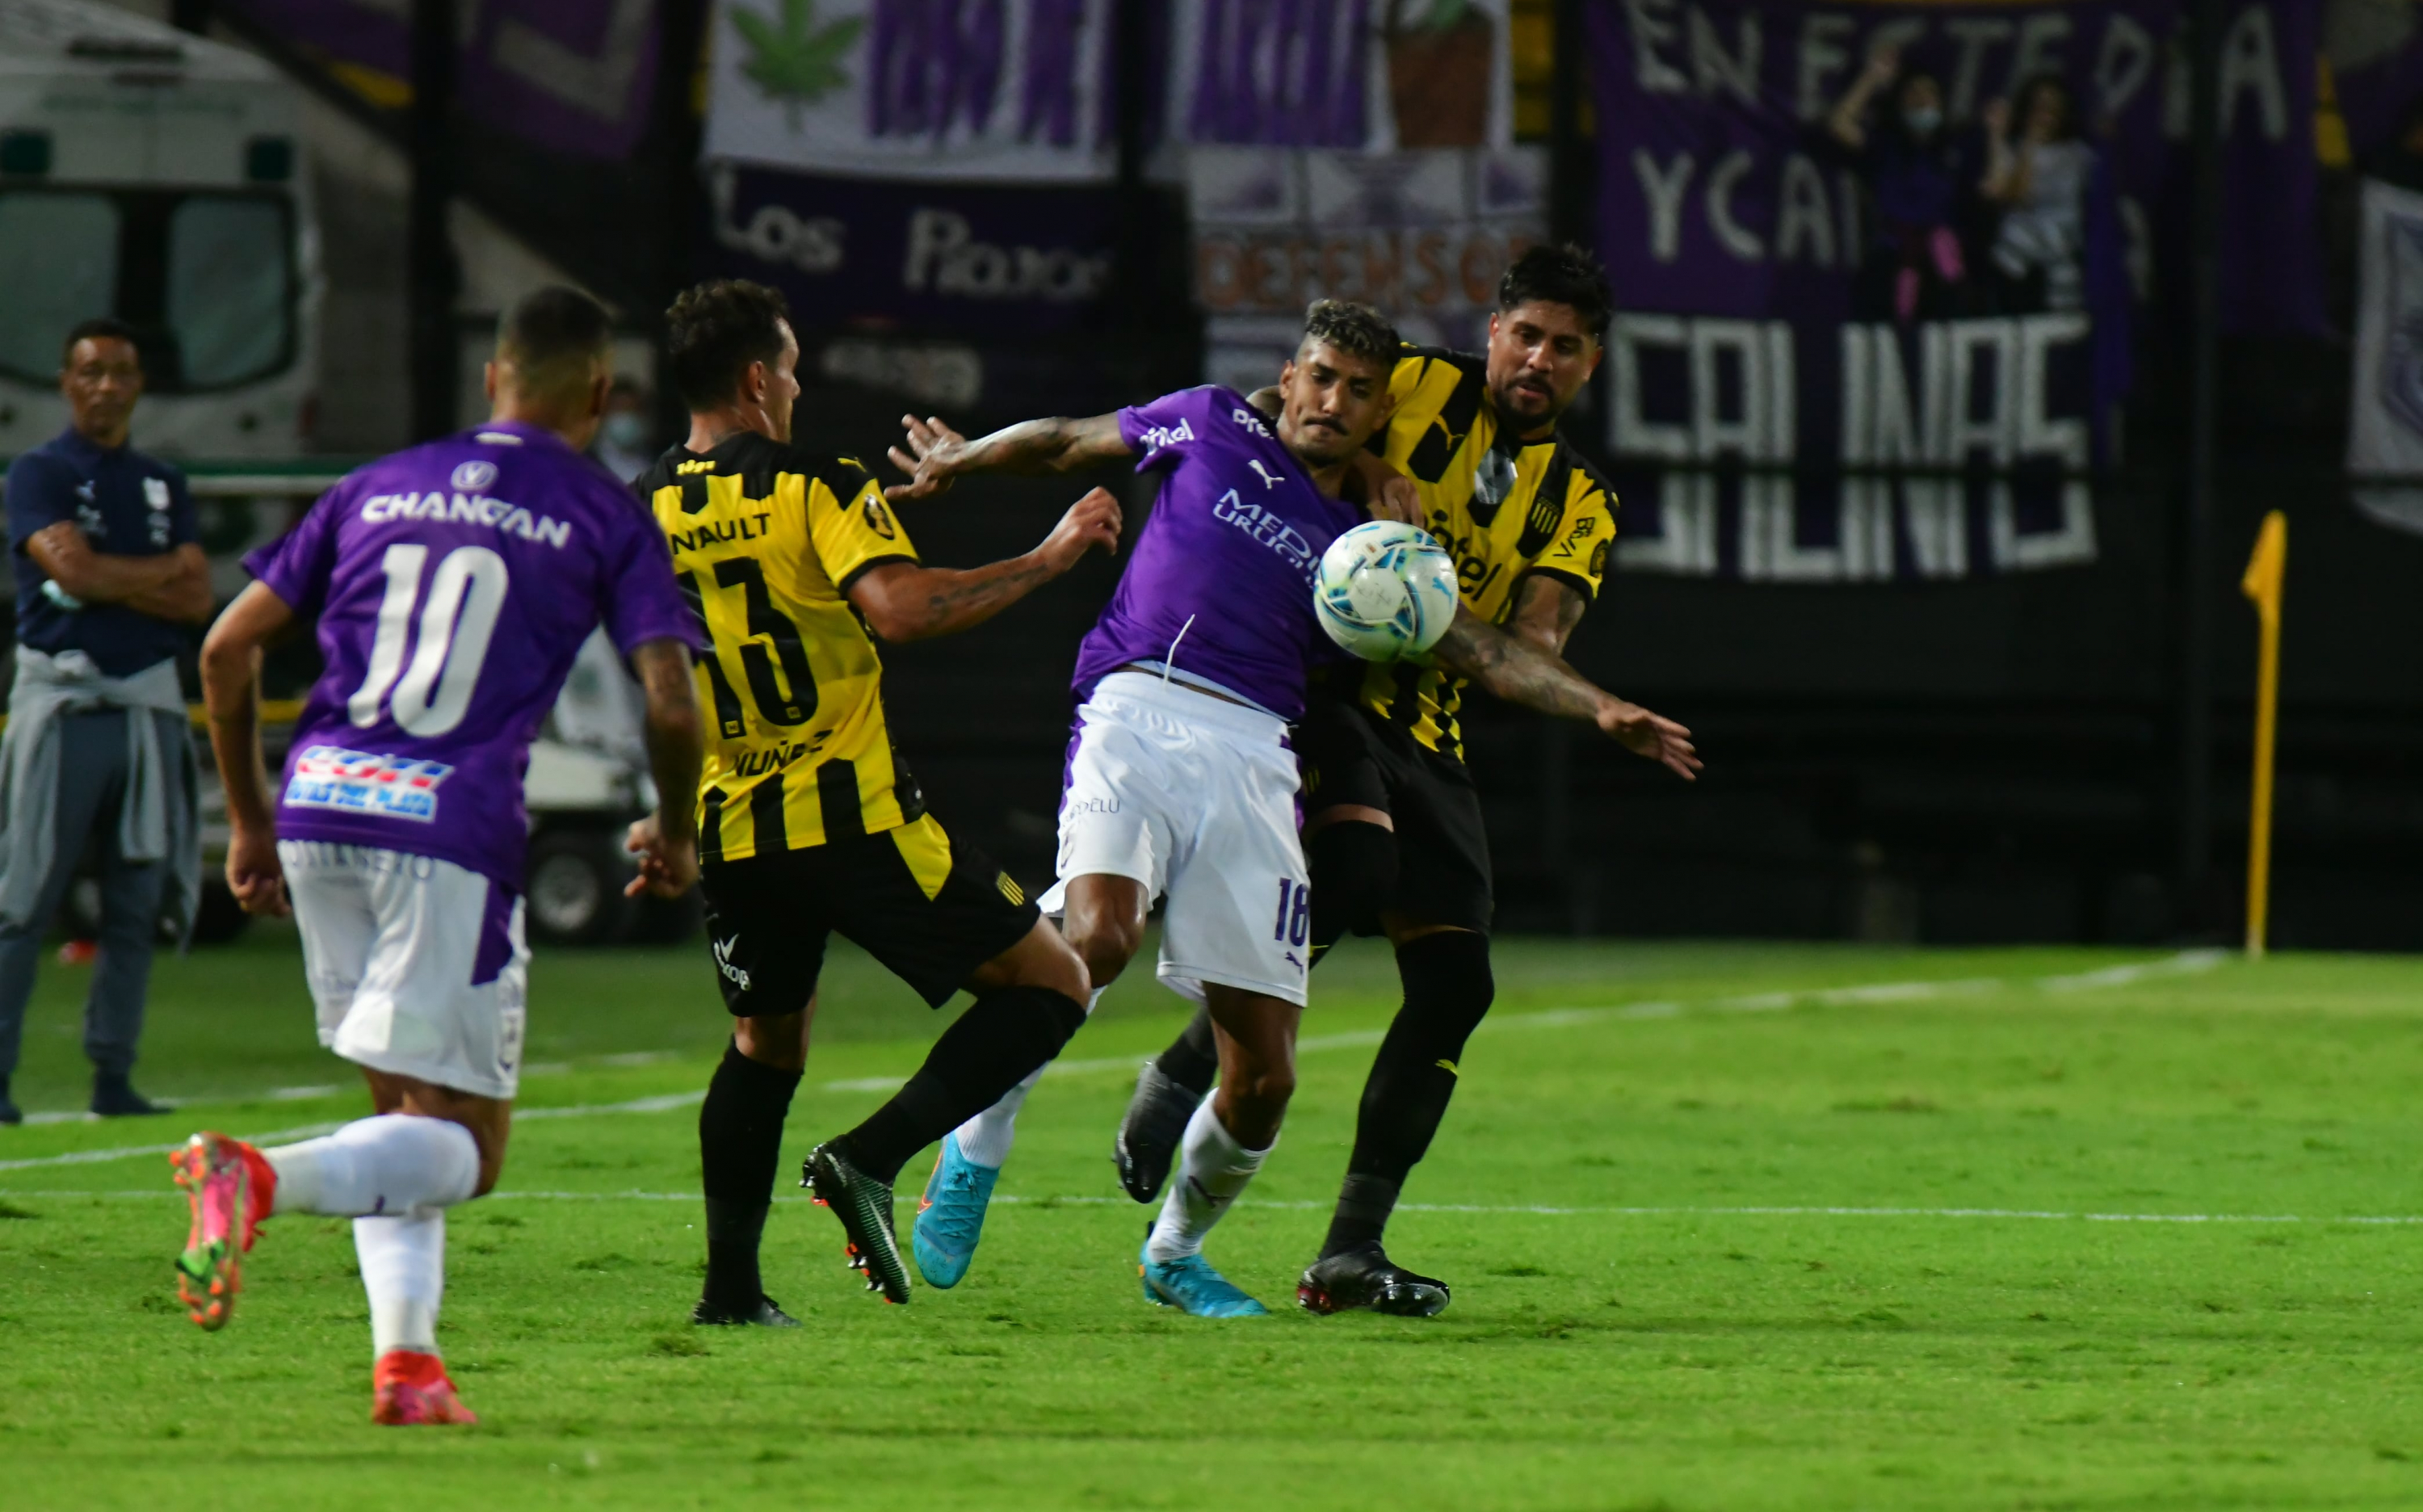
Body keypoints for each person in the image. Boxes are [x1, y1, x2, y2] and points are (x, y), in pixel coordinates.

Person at [884, 298, 1697, 1317]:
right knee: (1098, 937)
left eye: (1358, 391)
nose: (1334, 401)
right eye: (1320, 378)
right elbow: (1064, 440)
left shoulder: (1366, 546)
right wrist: (964, 458)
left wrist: (1599, 706)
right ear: (1290, 377)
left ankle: (1174, 1251)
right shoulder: (1211, 420)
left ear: (1379, 410)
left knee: (1268, 1074)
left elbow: (1481, 646)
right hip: (1138, 703)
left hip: (1263, 745)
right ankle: (976, 1142)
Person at [172, 286, 706, 1427]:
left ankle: (407, 1366)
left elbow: (224, 650)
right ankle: (253, 1175)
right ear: (599, 394)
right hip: (446, 826)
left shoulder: (374, 484)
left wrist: (252, 821)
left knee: (401, 1121)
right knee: (469, 1148)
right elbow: (671, 698)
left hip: (321, 805)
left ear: (493, 379)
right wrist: (676, 826)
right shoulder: (605, 511)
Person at [636, 279, 1115, 1320]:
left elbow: (700, 635)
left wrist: (664, 813)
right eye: (791, 368)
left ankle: (731, 1293)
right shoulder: (816, 479)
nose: (797, 387)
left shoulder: (642, 503)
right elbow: (899, 610)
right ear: (757, 378)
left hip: (733, 827)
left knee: (765, 1043)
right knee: (1054, 983)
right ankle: (868, 1156)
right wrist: (1049, 558)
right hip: (851, 815)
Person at [0, 320, 212, 1125]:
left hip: (145, 707)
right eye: (91, 371)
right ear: (67, 382)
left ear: (139, 383)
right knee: (25, 897)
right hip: (66, 705)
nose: (107, 386)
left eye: (121, 371)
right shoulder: (41, 472)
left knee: (135, 903)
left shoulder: (162, 481)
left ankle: (114, 1076)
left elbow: (198, 599)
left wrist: (108, 578)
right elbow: (74, 574)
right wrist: (157, 572)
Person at [1827, 46, 1982, 324]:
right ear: (1899, 103)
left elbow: (1994, 188)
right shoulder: (1886, 147)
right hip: (1891, 260)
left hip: (1944, 264)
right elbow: (1839, 124)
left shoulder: (1957, 149)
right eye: (1913, 93)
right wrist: (1871, 78)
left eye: (1929, 93)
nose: (1922, 100)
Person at [1982, 74, 2096, 313]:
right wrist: (2029, 145)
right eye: (2039, 107)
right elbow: (2016, 197)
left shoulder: (2079, 155)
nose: (2045, 115)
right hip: (2020, 254)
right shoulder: (2016, 150)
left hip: (2064, 247)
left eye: (2053, 108)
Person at [594, 376, 660, 485]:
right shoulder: (589, 462)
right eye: (619, 409)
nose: (625, 417)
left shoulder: (655, 458)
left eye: (631, 409)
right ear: (604, 412)